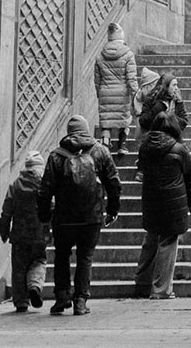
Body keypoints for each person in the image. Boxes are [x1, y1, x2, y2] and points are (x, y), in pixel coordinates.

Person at [38, 115, 120, 316]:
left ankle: (62, 297)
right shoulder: (100, 151)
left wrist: (43, 214)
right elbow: (114, 183)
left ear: (69, 132)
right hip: (91, 216)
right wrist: (112, 210)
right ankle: (81, 300)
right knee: (85, 257)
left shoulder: (56, 156)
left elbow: (45, 189)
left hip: (63, 217)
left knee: (62, 256)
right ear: (85, 130)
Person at [134, 111, 191, 300]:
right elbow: (189, 173)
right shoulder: (179, 149)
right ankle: (161, 289)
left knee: (151, 238)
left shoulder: (145, 147)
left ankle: (142, 282)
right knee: (168, 241)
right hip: (173, 201)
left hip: (151, 198)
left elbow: (141, 170)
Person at [0, 150, 49, 312]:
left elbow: (6, 211)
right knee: (39, 261)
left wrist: (4, 231)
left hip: (19, 235)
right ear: (40, 168)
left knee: (19, 268)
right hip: (39, 234)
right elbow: (52, 209)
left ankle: (21, 301)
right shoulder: (43, 187)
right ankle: (35, 285)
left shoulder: (14, 186)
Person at [93, 21, 137, 156]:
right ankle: (122, 145)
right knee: (124, 120)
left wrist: (99, 93)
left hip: (105, 92)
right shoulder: (128, 55)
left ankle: (105, 144)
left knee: (106, 122)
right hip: (122, 93)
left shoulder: (100, 56)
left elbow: (97, 80)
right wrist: (136, 93)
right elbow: (131, 78)